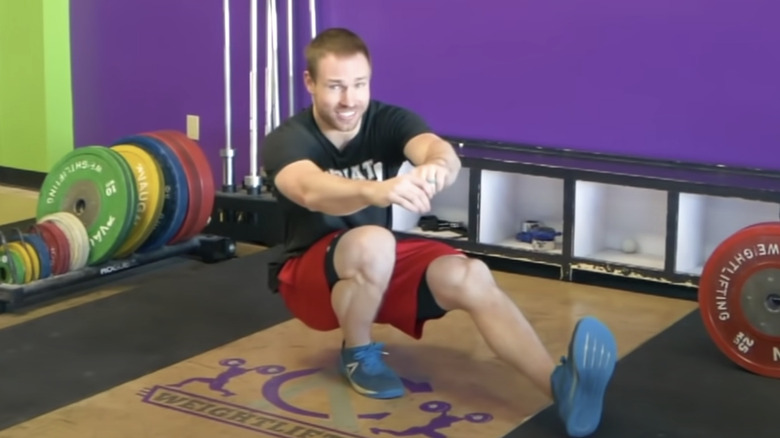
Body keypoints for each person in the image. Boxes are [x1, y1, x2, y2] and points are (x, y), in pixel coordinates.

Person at [260, 27, 618, 438]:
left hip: (373, 270)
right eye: (335, 86)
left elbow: (437, 149)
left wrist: (437, 168)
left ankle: (561, 388)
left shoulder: (387, 120)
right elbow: (310, 190)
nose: (349, 100)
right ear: (310, 83)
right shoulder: (287, 140)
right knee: (374, 241)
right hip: (307, 281)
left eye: (359, 85)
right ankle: (357, 353)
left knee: (471, 275)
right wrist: (375, 190)